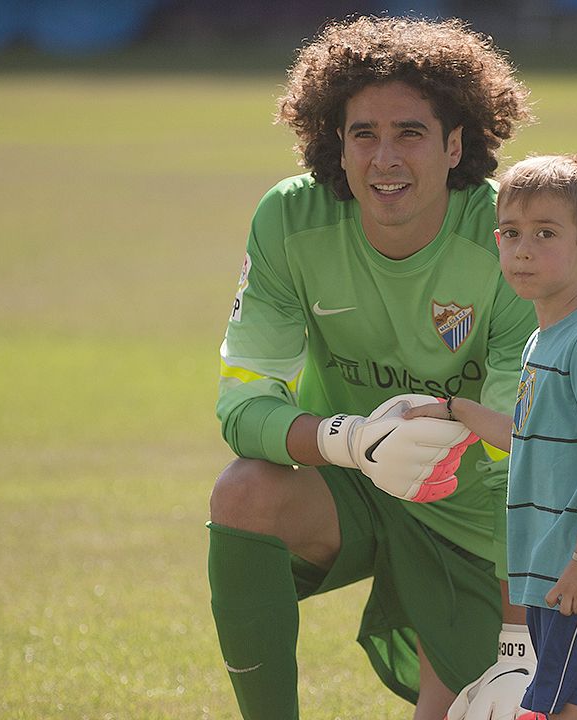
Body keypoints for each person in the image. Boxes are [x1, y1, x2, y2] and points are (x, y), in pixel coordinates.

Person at [208, 15, 539, 720]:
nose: (384, 158)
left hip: (473, 518)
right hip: (351, 486)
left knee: (472, 712)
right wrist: (353, 440)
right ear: (337, 142)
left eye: (410, 133)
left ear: (455, 145)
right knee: (244, 494)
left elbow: (527, 453)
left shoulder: (508, 241)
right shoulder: (289, 222)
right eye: (364, 134)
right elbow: (241, 408)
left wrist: (517, 644)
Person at [405, 154, 577, 719]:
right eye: (512, 233)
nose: (522, 250)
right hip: (554, 568)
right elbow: (526, 437)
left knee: (555, 708)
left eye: (545, 234)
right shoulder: (541, 340)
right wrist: (454, 410)